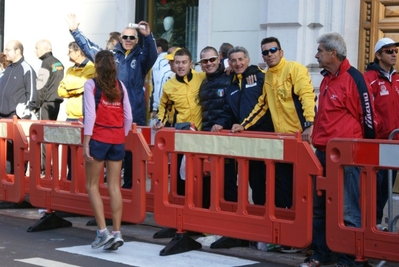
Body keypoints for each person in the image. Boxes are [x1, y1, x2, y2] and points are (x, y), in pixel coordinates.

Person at [300, 32, 376, 267]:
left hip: (345, 157)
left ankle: (350, 257)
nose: (316, 54)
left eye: (320, 50)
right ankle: (323, 254)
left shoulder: (354, 78)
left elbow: (368, 118)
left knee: (347, 208)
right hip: (323, 152)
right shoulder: (326, 78)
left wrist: (365, 152)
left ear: (333, 53)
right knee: (321, 207)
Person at [66, 13, 157, 189]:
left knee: (132, 158)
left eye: (132, 37)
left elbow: (152, 54)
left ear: (137, 40)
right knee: (110, 159)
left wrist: (148, 36)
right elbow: (90, 48)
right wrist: (75, 31)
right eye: (125, 37)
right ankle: (108, 196)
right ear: (120, 38)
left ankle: (130, 194)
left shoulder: (141, 58)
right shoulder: (111, 56)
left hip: (134, 115)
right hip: (112, 115)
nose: (128, 40)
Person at [233, 37, 317, 209]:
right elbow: (262, 105)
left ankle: (305, 229)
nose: (270, 54)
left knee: (302, 186)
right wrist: (244, 125)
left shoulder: (295, 69)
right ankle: (285, 226)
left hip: (300, 137)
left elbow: (307, 96)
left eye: (273, 50)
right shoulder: (268, 76)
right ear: (262, 56)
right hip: (281, 140)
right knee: (282, 185)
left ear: (281, 52)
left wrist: (310, 123)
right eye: (265, 52)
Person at [83, 50, 132, 250]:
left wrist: (86, 141)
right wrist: (122, 134)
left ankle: (102, 232)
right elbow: (128, 116)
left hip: (98, 139)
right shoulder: (120, 86)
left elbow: (90, 115)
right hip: (117, 139)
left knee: (92, 185)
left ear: (97, 65)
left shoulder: (91, 85)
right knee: (114, 187)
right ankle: (117, 232)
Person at [212, 46, 274, 206]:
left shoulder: (257, 76)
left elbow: (267, 98)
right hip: (247, 141)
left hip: (265, 137)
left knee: (273, 182)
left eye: (241, 59)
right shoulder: (232, 85)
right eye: (233, 60)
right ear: (229, 63)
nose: (238, 63)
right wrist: (220, 123)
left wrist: (253, 70)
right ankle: (260, 217)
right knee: (256, 182)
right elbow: (229, 111)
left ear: (248, 60)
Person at [364, 37, 399, 231]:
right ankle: (371, 223)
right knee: (374, 188)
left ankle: (377, 222)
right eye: (389, 51)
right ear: (378, 55)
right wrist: (376, 131)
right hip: (377, 143)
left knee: (387, 187)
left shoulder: (397, 78)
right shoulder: (369, 78)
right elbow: (367, 109)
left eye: (395, 51)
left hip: (395, 143)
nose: (394, 54)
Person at [198, 46, 237, 205]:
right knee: (207, 177)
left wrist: (222, 123)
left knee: (227, 178)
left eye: (212, 59)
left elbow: (231, 106)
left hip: (225, 136)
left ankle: (232, 218)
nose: (209, 63)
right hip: (207, 136)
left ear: (219, 58)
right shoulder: (203, 81)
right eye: (205, 61)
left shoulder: (231, 76)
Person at [58, 41, 96, 180]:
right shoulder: (70, 69)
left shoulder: (91, 67)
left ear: (78, 51)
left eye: (70, 51)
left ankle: (83, 182)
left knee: (84, 153)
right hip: (70, 118)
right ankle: (70, 180)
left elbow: (84, 85)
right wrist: (74, 88)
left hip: (83, 118)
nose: (68, 54)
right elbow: (60, 90)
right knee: (69, 154)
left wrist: (71, 87)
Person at [0, 40, 37, 174]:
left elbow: (32, 97)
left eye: (8, 50)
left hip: (15, 118)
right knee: (3, 154)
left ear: (18, 51)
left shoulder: (27, 69)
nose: (5, 53)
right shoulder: (7, 69)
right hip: (2, 117)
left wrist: (21, 113)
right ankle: (5, 184)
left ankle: (17, 184)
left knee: (16, 153)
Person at [35, 39, 65, 177]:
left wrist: (35, 105)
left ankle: (44, 169)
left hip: (46, 103)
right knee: (52, 135)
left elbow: (41, 87)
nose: (35, 51)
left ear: (44, 49)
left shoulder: (45, 63)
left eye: (36, 48)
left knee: (44, 136)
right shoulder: (58, 63)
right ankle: (51, 168)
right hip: (56, 102)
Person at [150, 38, 170, 120]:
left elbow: (157, 85)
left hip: (161, 103)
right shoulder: (170, 60)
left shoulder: (157, 62)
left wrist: (155, 107)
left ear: (159, 49)